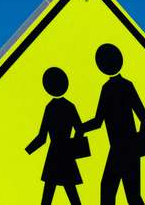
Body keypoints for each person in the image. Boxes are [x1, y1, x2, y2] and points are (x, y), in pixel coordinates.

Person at [80, 43, 145, 205]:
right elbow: (143, 118)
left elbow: (143, 117)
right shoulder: (117, 87)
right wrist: (81, 127)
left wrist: (81, 128)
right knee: (119, 192)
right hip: (122, 149)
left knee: (118, 192)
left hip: (124, 149)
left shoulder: (116, 87)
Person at [26, 67, 83, 205]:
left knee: (48, 195)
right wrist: (73, 146)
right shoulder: (70, 106)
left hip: (54, 155)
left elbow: (42, 137)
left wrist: (27, 150)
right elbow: (80, 130)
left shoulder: (50, 108)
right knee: (71, 194)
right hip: (66, 154)